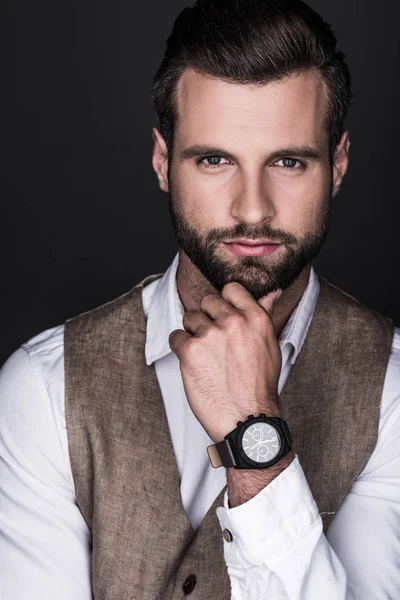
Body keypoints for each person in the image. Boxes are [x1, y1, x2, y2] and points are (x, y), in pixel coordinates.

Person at [1, 0, 399, 598]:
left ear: (338, 165)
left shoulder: (393, 392)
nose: (253, 209)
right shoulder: (41, 390)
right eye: (214, 160)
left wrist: (253, 441)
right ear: (164, 162)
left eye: (288, 161)